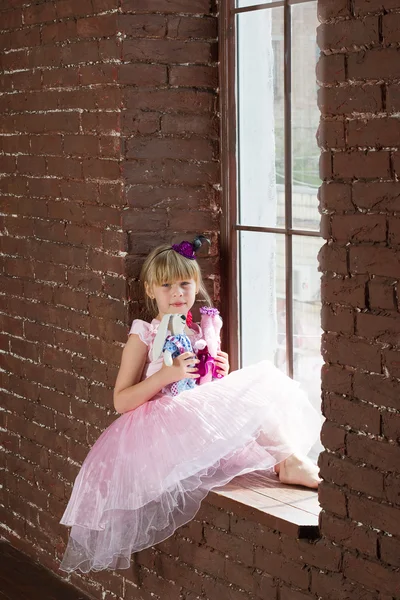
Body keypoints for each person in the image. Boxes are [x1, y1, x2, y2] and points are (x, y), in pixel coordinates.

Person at [59, 236, 321, 574]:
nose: (177, 293)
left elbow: (199, 389)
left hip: (190, 417)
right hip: (160, 426)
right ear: (151, 291)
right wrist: (165, 375)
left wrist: (217, 373)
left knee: (255, 388)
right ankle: (288, 462)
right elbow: (121, 400)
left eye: (185, 283)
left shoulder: (198, 331)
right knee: (258, 385)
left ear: (196, 285)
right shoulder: (145, 334)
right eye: (166, 286)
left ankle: (289, 461)